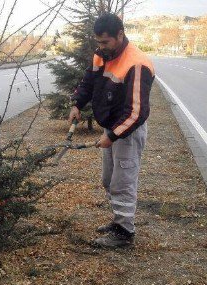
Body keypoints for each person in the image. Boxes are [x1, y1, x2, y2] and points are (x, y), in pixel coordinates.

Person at [69, 13, 155, 248]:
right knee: (108, 179)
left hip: (127, 131)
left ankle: (124, 233)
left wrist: (113, 134)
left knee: (123, 182)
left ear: (120, 34)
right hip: (111, 127)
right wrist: (77, 103)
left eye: (105, 42)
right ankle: (119, 221)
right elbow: (89, 81)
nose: (101, 47)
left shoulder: (137, 64)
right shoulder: (101, 55)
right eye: (98, 42)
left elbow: (136, 113)